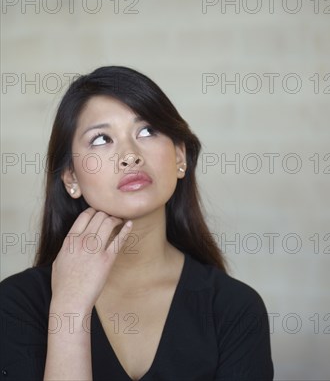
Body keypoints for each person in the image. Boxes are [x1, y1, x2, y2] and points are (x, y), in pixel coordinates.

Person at [0, 66, 274, 380]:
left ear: (180, 157)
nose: (130, 156)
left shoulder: (234, 308)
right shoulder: (17, 305)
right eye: (101, 139)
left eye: (146, 131)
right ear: (71, 178)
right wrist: (69, 311)